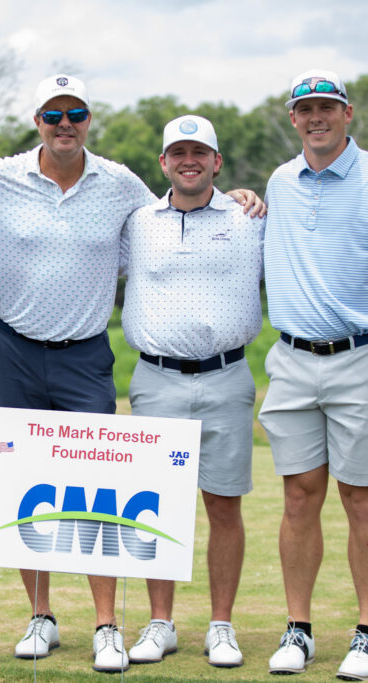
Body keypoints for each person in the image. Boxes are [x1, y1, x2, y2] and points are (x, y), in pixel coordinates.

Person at [0, 74, 264, 673]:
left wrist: (240, 196)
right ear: (37, 120)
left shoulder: (121, 184)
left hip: (86, 354)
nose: (64, 123)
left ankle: (107, 625)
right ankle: (40, 615)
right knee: (23, 486)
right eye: (52, 113)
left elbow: (175, 215)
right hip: (12, 349)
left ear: (88, 120)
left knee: (103, 490)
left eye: (76, 113)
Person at [258, 69, 368, 680]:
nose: (317, 118)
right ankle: (299, 629)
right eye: (306, 109)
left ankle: (367, 634)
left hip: (361, 357)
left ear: (347, 113)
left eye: (327, 108)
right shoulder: (280, 182)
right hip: (291, 359)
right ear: (293, 118)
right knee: (298, 497)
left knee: (362, 497)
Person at [119, 115, 263, 669]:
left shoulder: (250, 218)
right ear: (163, 162)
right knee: (158, 507)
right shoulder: (137, 222)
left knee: (224, 505)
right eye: (178, 152)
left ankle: (221, 626)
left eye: (199, 151)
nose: (189, 160)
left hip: (227, 376)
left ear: (217, 162)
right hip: (156, 378)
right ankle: (161, 623)